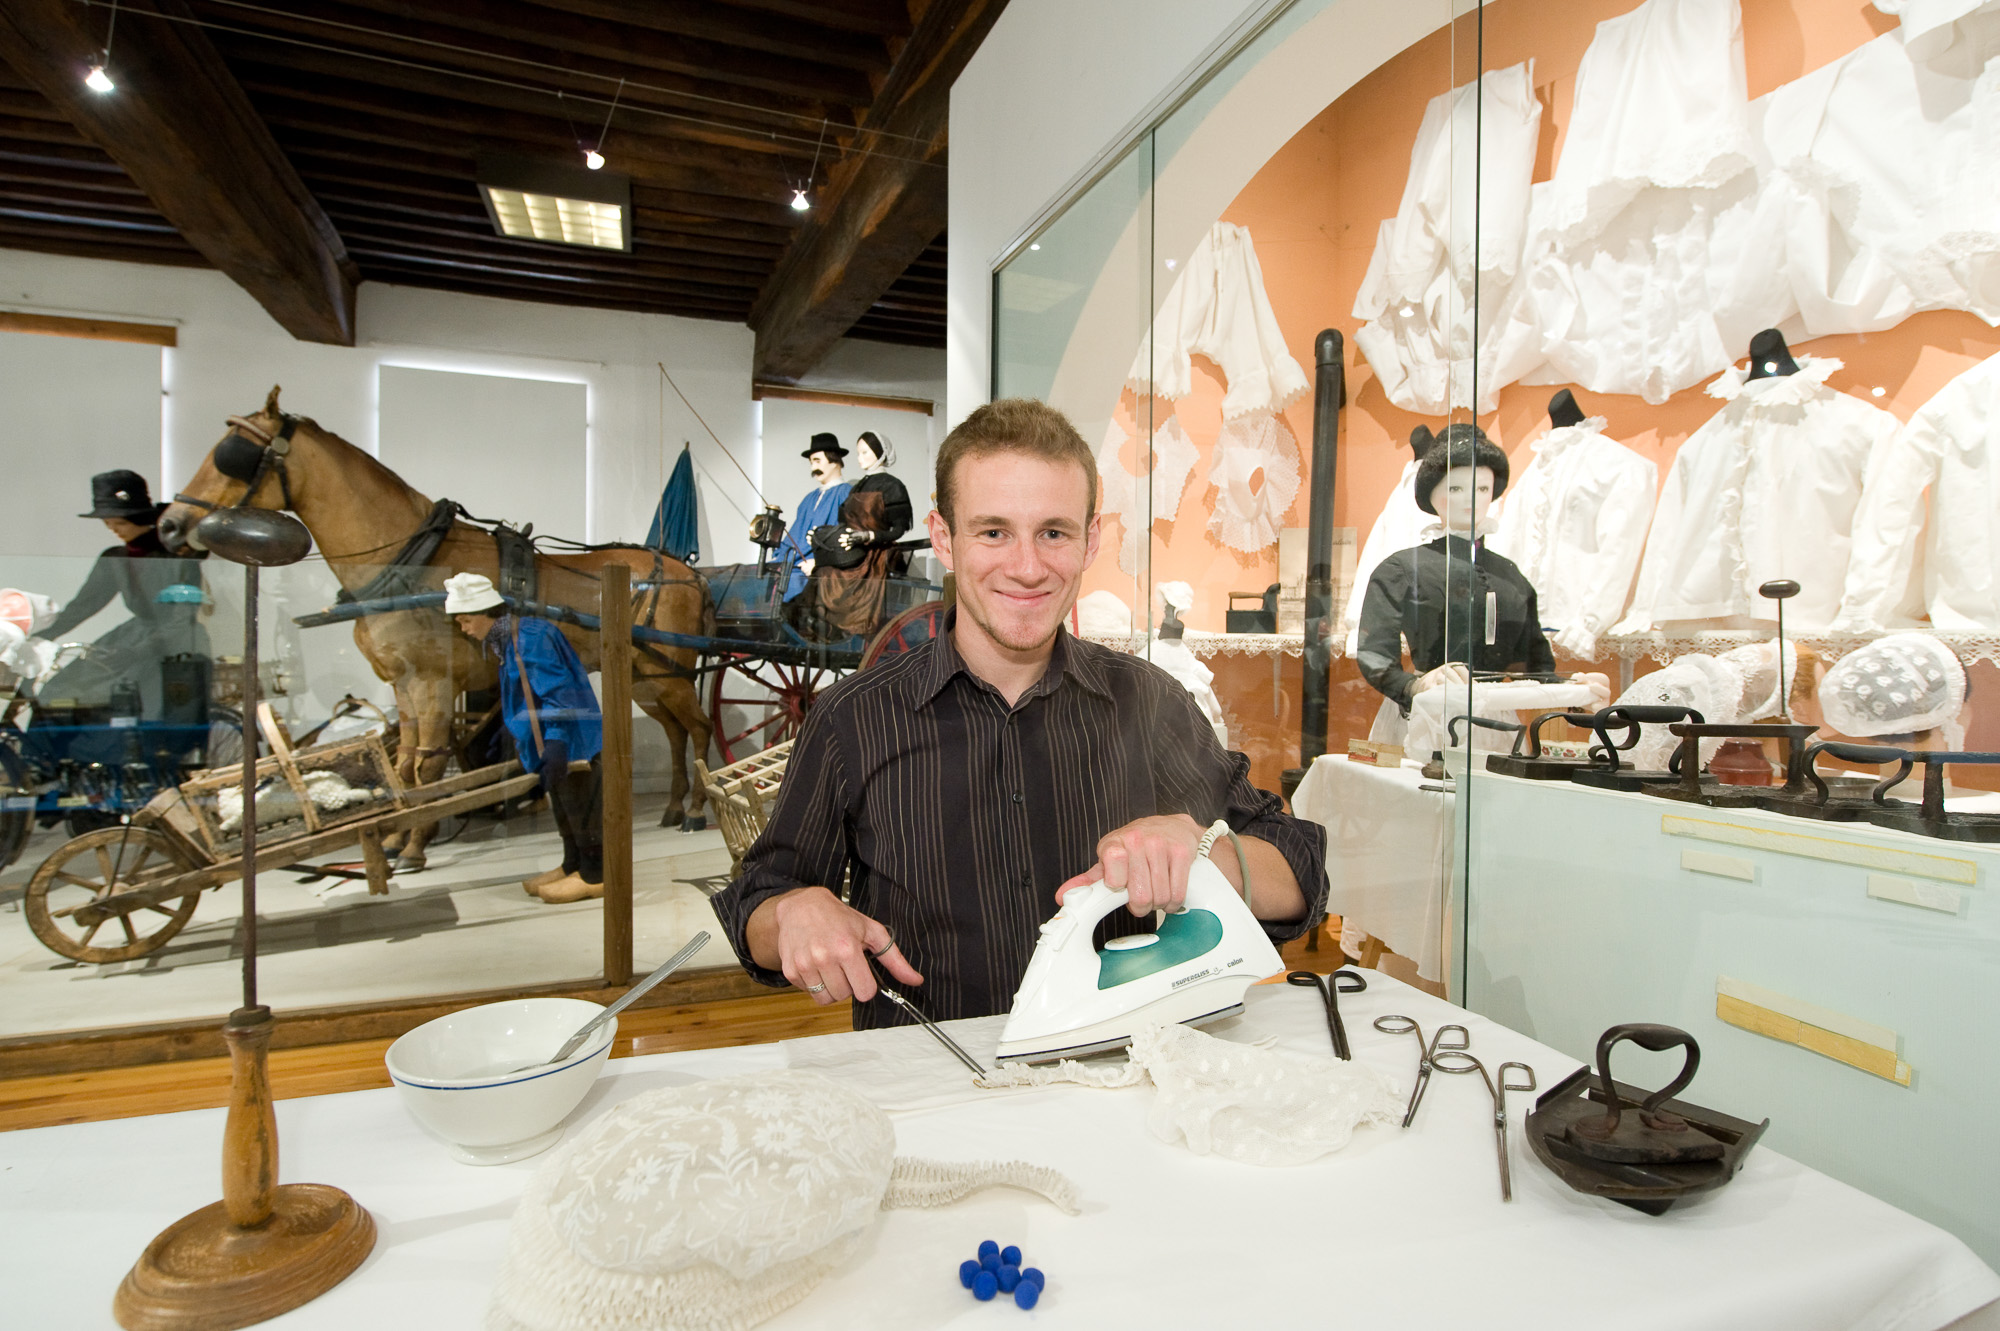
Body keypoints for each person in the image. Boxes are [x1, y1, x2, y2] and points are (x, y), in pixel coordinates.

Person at [710, 399, 1328, 1028]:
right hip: (935, 1090)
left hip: (1125, 1089)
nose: (1028, 568)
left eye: (1053, 532)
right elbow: (758, 899)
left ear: (1089, 541)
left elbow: (1301, 870)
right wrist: (794, 912)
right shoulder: (853, 717)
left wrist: (1204, 853)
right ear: (945, 537)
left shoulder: (1151, 703)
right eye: (994, 531)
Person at [444, 572, 605, 904]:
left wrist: (558, 742)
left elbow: (558, 694)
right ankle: (572, 863)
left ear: (487, 612)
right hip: (547, 739)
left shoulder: (529, 638)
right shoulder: (507, 640)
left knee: (581, 807)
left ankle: (596, 874)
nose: (464, 629)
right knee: (564, 806)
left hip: (570, 741)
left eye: (466, 620)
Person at [40, 470, 208, 717]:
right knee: (60, 690)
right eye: (108, 524)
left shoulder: (176, 558)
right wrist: (42, 635)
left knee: (131, 700)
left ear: (140, 518)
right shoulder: (115, 559)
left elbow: (182, 619)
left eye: (120, 523)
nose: (114, 530)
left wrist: (136, 652)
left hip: (173, 644)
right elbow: (83, 606)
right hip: (131, 637)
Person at [810, 430, 915, 637]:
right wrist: (821, 534)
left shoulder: (893, 486)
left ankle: (851, 629)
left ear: (880, 453)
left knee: (835, 575)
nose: (860, 459)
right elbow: (844, 523)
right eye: (859, 453)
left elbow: (898, 530)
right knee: (823, 570)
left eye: (865, 452)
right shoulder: (857, 486)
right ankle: (827, 629)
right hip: (853, 551)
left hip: (877, 555)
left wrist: (867, 536)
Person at [774, 433, 851, 602]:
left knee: (789, 585)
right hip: (795, 565)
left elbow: (844, 540)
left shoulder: (846, 494)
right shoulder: (808, 499)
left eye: (817, 461)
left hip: (823, 569)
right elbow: (794, 536)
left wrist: (818, 563)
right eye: (811, 463)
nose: (813, 468)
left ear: (834, 459)